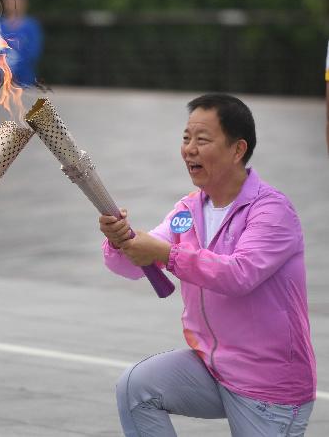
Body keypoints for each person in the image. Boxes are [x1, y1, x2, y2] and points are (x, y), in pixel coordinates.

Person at [99, 93, 316, 436]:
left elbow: (238, 275)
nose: (189, 149)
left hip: (268, 387)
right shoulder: (188, 210)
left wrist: (165, 254)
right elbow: (130, 266)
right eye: (186, 139)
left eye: (202, 140)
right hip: (212, 369)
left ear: (237, 149)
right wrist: (120, 240)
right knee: (136, 388)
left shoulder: (272, 211)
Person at [0, 0, 43, 88]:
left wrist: (15, 71)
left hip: (25, 81)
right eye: (9, 0)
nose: (13, 3)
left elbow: (34, 52)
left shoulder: (32, 26)